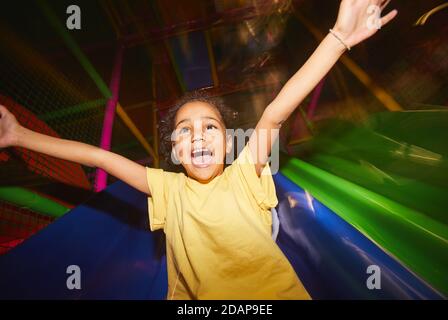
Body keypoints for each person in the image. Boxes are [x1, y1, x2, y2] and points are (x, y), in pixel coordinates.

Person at [0, 0, 397, 299]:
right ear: (175, 150)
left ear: (228, 143)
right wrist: (20, 136)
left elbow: (276, 112)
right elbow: (100, 157)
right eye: (185, 131)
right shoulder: (170, 191)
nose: (199, 136)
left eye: (210, 128)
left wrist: (338, 38)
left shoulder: (244, 174)